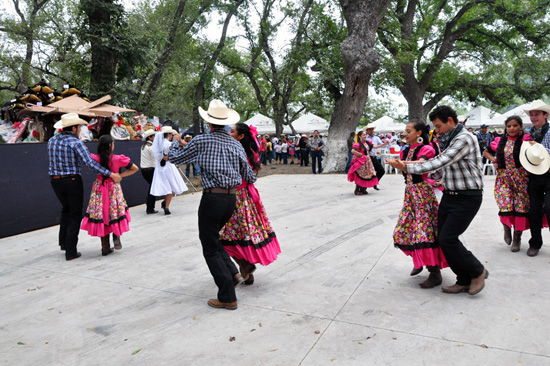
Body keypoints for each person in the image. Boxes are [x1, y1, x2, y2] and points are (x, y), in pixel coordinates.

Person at [387, 105, 488, 295]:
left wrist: (406, 167)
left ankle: (478, 271)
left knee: (447, 238)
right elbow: (440, 168)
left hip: (468, 196)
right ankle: (463, 279)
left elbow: (440, 162)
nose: (436, 131)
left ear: (450, 121)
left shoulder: (464, 138)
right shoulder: (446, 139)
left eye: (439, 126)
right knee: (440, 239)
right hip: (450, 194)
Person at [168, 99, 257, 310]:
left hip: (212, 198)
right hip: (231, 198)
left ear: (209, 123)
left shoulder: (202, 140)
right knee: (214, 239)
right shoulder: (235, 143)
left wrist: (175, 140)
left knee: (209, 246)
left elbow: (173, 157)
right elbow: (250, 176)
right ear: (225, 123)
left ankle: (227, 296)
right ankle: (233, 274)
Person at [48, 113, 122, 261]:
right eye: (80, 127)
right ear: (74, 128)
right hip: (72, 180)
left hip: (55, 180)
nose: (80, 129)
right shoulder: (76, 142)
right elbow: (89, 163)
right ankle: (71, 251)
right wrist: (110, 174)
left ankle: (63, 243)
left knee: (66, 210)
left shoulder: (52, 140)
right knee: (75, 214)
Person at [220, 123, 281, 285]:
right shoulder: (250, 153)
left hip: (236, 197)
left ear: (241, 136)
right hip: (247, 196)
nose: (228, 133)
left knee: (226, 235)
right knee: (244, 233)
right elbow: (254, 172)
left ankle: (245, 266)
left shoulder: (236, 153)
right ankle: (246, 272)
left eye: (232, 131)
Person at [390, 121, 448, 288]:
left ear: (419, 133)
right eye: (405, 131)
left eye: (409, 131)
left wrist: (401, 164)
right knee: (403, 230)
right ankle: (419, 259)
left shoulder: (427, 149)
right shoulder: (407, 150)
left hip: (422, 194)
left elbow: (421, 165)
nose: (405, 134)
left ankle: (435, 272)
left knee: (425, 232)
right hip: (410, 194)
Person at [80, 135, 138, 255]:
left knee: (102, 214)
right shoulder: (117, 159)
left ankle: (104, 246)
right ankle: (116, 236)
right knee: (114, 212)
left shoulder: (95, 158)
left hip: (99, 188)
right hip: (113, 189)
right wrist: (120, 176)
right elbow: (134, 168)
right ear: (110, 146)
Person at [483, 116, 532, 252]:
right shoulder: (499, 141)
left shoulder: (525, 140)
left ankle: (517, 238)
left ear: (520, 126)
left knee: (520, 208)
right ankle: (506, 228)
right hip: (503, 179)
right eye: (509, 126)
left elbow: (533, 152)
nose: (511, 128)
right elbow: (485, 152)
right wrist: (494, 160)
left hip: (521, 179)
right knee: (505, 205)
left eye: (515, 125)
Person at [524, 100, 550, 257]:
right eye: (532, 114)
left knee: (549, 208)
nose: (533, 117)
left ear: (545, 115)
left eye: (537, 114)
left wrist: (537, 147)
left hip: (549, 175)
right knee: (533, 211)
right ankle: (535, 243)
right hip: (533, 176)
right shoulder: (529, 133)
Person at [151, 126, 187, 215]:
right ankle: (166, 206)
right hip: (169, 166)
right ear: (168, 134)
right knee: (171, 187)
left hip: (160, 167)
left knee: (166, 186)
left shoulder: (158, 144)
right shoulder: (168, 144)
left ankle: (165, 204)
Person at [347, 130, 379, 195]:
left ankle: (363, 188)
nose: (365, 136)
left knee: (367, 174)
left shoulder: (367, 143)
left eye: (365, 135)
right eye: (364, 135)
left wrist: (385, 144)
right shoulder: (358, 144)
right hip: (361, 161)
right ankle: (356, 190)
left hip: (367, 160)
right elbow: (352, 150)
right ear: (360, 136)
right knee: (360, 174)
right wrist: (359, 154)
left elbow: (375, 147)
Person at [140, 129, 158, 214]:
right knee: (153, 188)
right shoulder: (151, 146)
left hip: (145, 169)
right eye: (153, 136)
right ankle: (150, 207)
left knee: (152, 187)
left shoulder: (144, 146)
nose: (155, 137)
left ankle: (150, 206)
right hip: (150, 169)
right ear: (150, 137)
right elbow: (155, 156)